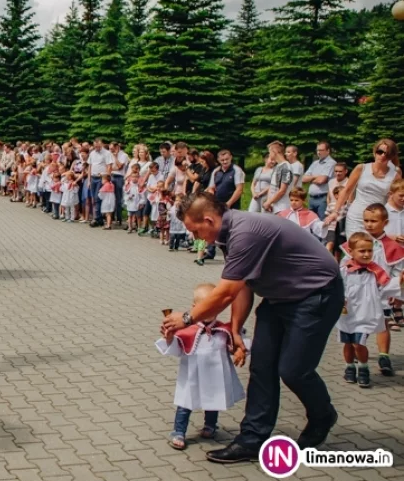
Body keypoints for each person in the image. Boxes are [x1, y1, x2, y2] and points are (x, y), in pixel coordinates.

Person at [163, 192, 343, 464]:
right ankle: (252, 439)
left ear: (209, 219)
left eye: (194, 229)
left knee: (293, 369)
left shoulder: (246, 232)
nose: (194, 237)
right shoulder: (228, 233)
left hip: (316, 294)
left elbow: (224, 293)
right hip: (279, 297)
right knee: (262, 366)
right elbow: (242, 285)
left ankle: (322, 415)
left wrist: (187, 318)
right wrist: (236, 329)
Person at [156, 283, 246, 451]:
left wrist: (240, 350)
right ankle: (179, 431)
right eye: (205, 308)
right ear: (195, 308)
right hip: (192, 375)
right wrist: (169, 338)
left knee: (213, 400)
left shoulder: (224, 329)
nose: (209, 312)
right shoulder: (188, 330)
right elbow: (176, 348)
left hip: (215, 375)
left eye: (213, 308)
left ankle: (210, 426)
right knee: (185, 404)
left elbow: (236, 343)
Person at [339, 203, 404, 376]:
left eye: (374, 221)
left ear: (385, 222)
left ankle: (383, 355)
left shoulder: (392, 246)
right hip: (358, 294)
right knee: (359, 327)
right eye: (366, 220)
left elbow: (398, 271)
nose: (369, 224)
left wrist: (398, 296)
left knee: (382, 324)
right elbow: (345, 265)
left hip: (383, 291)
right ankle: (356, 355)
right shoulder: (357, 240)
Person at [338, 232, 389, 389]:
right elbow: (336, 287)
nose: (366, 254)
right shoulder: (344, 269)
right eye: (362, 251)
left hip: (365, 314)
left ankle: (363, 368)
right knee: (348, 343)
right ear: (351, 252)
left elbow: (387, 286)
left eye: (369, 250)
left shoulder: (376, 271)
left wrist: (398, 285)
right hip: (346, 314)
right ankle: (349, 367)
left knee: (358, 344)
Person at [328, 139, 401, 237]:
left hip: (377, 219)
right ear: (374, 152)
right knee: (354, 248)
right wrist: (335, 212)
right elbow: (346, 191)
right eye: (380, 152)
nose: (383, 156)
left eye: (387, 154)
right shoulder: (361, 168)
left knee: (375, 250)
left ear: (392, 156)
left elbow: (394, 199)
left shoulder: (395, 174)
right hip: (356, 216)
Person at [303, 141, 337, 219]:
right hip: (311, 198)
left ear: (328, 151)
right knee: (311, 222)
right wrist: (316, 177)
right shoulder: (315, 163)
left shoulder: (331, 163)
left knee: (322, 222)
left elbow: (322, 180)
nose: (318, 152)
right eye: (317, 150)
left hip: (322, 198)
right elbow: (304, 179)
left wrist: (311, 178)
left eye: (321, 150)